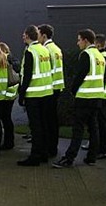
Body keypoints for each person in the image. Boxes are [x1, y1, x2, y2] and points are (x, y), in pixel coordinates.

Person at [52, 29, 105, 168]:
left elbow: (79, 76)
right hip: (97, 97)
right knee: (94, 128)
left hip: (84, 97)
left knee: (78, 129)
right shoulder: (100, 56)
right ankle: (92, 157)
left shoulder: (86, 54)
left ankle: (69, 158)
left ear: (86, 40)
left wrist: (73, 91)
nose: (78, 43)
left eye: (79, 40)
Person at [17, 25, 53, 166]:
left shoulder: (30, 51)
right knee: (43, 125)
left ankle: (35, 155)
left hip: (34, 94)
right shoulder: (44, 49)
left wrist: (22, 94)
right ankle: (43, 153)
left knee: (36, 126)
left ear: (27, 36)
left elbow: (27, 75)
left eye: (23, 34)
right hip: (46, 92)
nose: (22, 37)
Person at [38, 24, 65, 157]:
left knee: (47, 121)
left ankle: (49, 148)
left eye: (38, 34)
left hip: (49, 88)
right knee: (52, 120)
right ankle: (53, 147)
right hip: (57, 87)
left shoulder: (46, 49)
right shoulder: (56, 48)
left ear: (44, 35)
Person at [94, 34, 106, 160]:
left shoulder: (102, 57)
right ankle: (103, 146)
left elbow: (103, 77)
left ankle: (102, 148)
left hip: (103, 95)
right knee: (104, 122)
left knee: (102, 123)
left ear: (98, 44)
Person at [0, 42, 20, 151]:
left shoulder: (4, 59)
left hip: (5, 92)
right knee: (7, 118)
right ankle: (9, 140)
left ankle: (8, 142)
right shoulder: (13, 59)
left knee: (5, 118)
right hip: (13, 92)